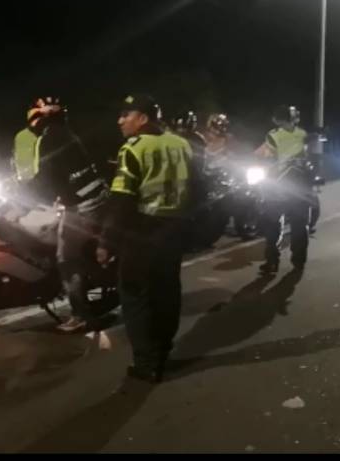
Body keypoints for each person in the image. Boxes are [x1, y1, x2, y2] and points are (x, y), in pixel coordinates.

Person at [97, 94, 200, 383]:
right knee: (167, 291)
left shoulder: (134, 148)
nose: (120, 121)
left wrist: (106, 241)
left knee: (135, 296)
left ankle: (146, 363)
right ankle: (164, 350)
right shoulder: (182, 144)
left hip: (143, 231)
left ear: (143, 118)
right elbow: (198, 188)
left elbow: (121, 199)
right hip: (175, 230)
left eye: (125, 115)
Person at [26, 96, 108, 333]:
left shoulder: (49, 138)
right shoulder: (65, 132)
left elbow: (45, 176)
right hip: (95, 198)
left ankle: (81, 315)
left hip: (84, 206)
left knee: (65, 257)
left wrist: (19, 189)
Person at [253, 104, 310, 274]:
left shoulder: (273, 135)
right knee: (299, 226)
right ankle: (298, 262)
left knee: (272, 225)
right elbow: (310, 159)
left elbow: (266, 158)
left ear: (277, 119)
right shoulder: (303, 134)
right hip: (299, 188)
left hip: (277, 186)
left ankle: (272, 262)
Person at [12, 109, 39, 182]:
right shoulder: (20, 136)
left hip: (44, 180)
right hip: (25, 180)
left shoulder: (49, 135)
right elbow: (14, 156)